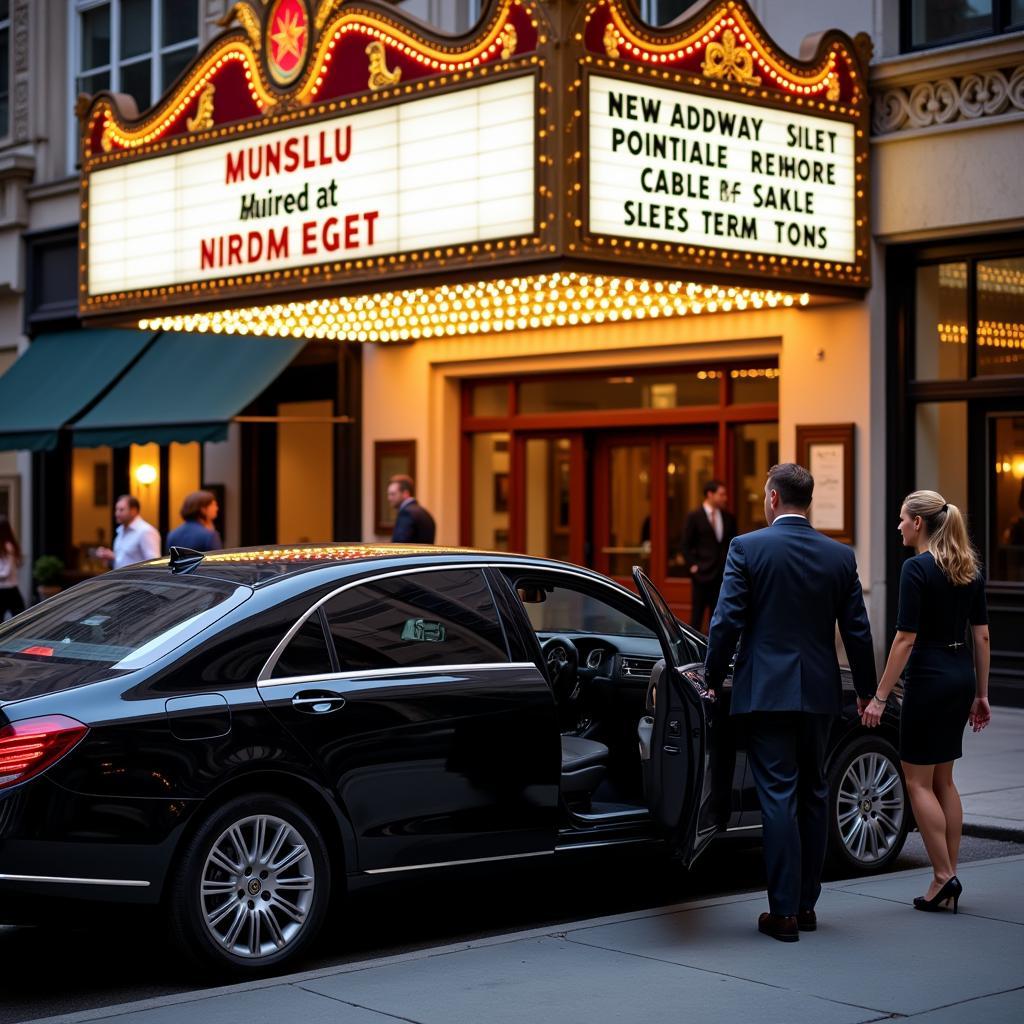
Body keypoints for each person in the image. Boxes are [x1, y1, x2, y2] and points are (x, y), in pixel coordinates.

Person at [704, 463, 876, 943]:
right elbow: (858, 632)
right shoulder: (838, 556)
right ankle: (806, 905)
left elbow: (725, 622)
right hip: (820, 692)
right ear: (808, 501)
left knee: (778, 795)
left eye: (764, 494)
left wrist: (713, 676)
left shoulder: (747, 548)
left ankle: (782, 913)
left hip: (766, 692)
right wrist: (866, 690)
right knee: (814, 793)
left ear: (774, 498)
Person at [860, 490, 990, 915]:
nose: (898, 525)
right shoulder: (969, 569)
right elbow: (983, 636)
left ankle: (941, 875)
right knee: (944, 781)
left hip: (929, 679)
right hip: (959, 678)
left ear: (919, 523)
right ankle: (948, 872)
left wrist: (880, 696)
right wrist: (983, 694)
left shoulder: (916, 569)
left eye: (902, 519)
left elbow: (905, 639)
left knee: (916, 781)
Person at [682, 479, 737, 632]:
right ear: (710, 494)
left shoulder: (728, 517)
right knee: (697, 618)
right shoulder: (694, 516)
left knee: (718, 617)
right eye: (721, 494)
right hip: (701, 576)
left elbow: (732, 544)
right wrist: (693, 567)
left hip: (721, 577)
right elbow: (685, 545)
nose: (725, 498)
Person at [96, 494, 161, 569]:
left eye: (121, 510)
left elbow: (155, 565)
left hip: (137, 580)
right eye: (116, 509)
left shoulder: (146, 531)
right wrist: (111, 557)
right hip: (120, 579)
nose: (117, 514)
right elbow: (123, 561)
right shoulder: (120, 531)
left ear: (133, 511)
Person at [387, 474, 436, 544]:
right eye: (388, 494)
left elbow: (399, 546)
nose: (389, 498)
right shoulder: (425, 513)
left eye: (393, 494)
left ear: (405, 493)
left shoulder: (406, 513)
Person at [0, 516, 25, 621]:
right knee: (18, 618)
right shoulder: (5, 546)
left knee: (19, 618)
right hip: (7, 590)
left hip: (8, 590)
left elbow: (6, 572)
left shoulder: (7, 546)